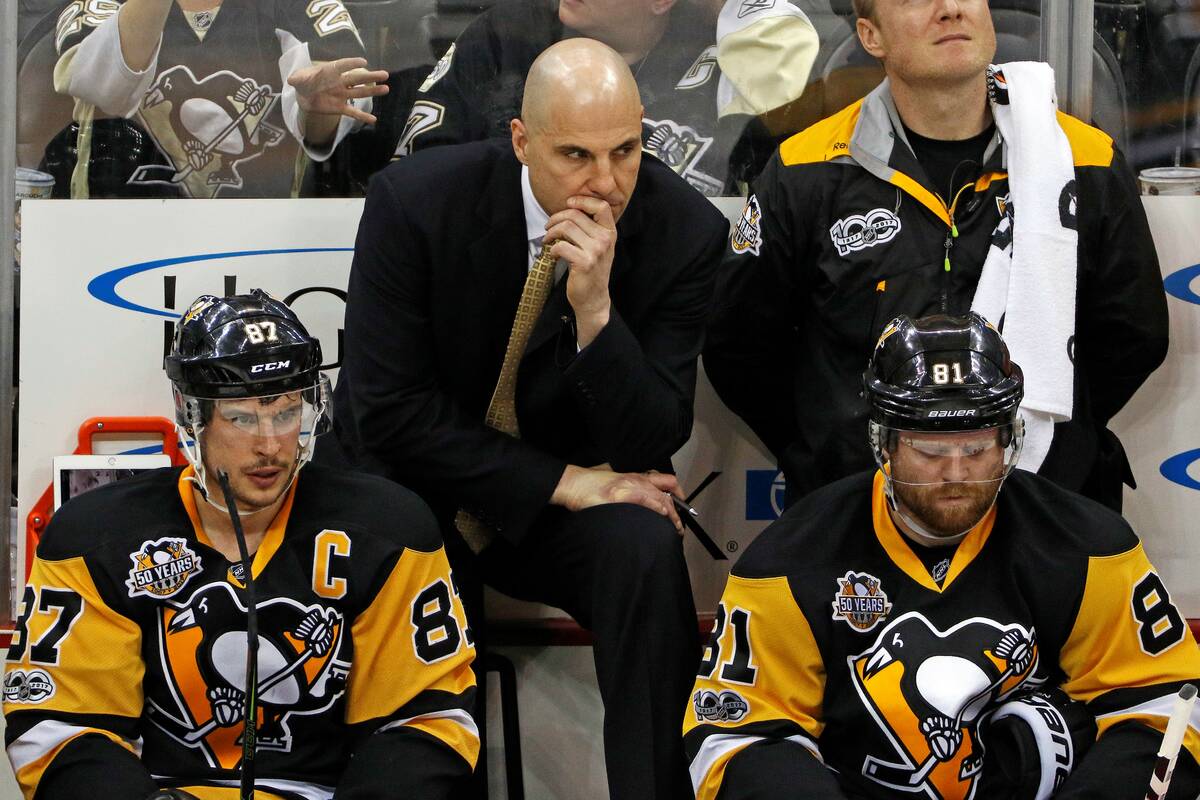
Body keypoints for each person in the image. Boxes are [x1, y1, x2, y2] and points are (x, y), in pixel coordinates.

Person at [325, 39, 727, 799]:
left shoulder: (684, 231)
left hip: (544, 510)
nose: (605, 184)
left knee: (642, 545)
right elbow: (387, 414)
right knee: (418, 542)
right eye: (575, 154)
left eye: (626, 151)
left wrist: (597, 314)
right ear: (520, 141)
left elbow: (650, 439)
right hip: (418, 487)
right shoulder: (415, 201)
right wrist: (563, 481)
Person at [685, 312, 1200, 799]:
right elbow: (733, 736)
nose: (956, 473)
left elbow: (1166, 708)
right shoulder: (788, 563)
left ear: (1008, 440)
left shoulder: (1091, 548)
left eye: (976, 449)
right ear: (882, 443)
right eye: (930, 452)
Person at [4, 291, 478, 799]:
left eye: (286, 412)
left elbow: (430, 718)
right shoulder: (95, 538)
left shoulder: (388, 529)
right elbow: (58, 726)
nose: (271, 444)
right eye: (242, 418)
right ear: (192, 414)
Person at [703, 0, 1168, 511]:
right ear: (870, 35)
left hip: (1047, 502)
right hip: (856, 513)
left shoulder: (1085, 161)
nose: (949, 9)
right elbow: (741, 350)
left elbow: (1133, 337)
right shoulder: (802, 169)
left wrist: (1042, 437)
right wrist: (833, 450)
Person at [392, 0, 819, 195]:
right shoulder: (506, 34)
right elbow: (418, 173)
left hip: (667, 291)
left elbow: (785, 169)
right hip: (499, 277)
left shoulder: (724, 51)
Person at [50, 0, 388, 198]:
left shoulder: (303, 7)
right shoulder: (99, 5)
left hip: (264, 241)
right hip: (113, 232)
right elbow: (102, 87)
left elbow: (331, 109)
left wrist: (316, 106)